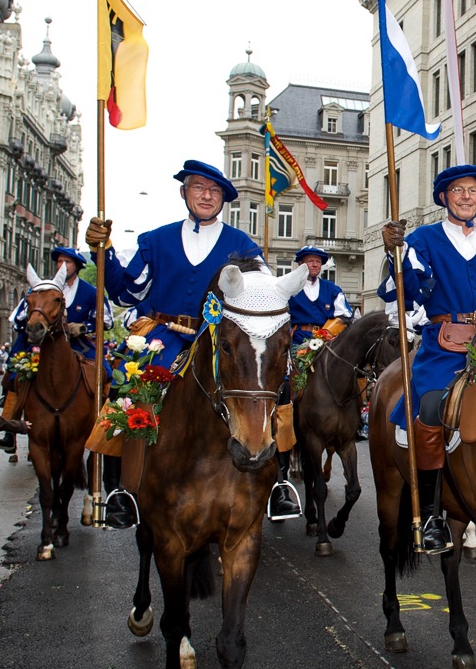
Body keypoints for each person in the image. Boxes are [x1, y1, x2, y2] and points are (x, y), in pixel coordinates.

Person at [85, 159, 262, 527]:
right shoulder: (155, 240)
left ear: (223, 199)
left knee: (268, 387)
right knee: (127, 389)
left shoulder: (243, 246)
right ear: (184, 192)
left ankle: (272, 480)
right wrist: (104, 251)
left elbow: (261, 292)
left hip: (218, 339)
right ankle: (121, 489)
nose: (207, 196)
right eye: (199, 187)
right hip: (163, 338)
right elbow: (128, 292)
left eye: (214, 191)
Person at [379, 163, 476, 554]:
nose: (466, 197)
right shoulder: (423, 240)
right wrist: (395, 254)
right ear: (444, 197)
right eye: (458, 190)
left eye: (472, 190)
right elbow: (406, 291)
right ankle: (432, 514)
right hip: (444, 345)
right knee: (431, 405)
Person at [0, 246, 112, 455]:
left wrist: (83, 327)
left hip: (77, 343)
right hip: (43, 344)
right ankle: (10, 427)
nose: (62, 266)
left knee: (105, 372)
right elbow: (18, 318)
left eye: (67, 262)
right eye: (59, 261)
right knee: (16, 373)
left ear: (77, 266)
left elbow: (107, 320)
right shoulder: (41, 289)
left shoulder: (91, 292)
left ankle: (104, 421)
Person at [269, 246, 354, 521]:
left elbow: (345, 315)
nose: (314, 265)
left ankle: (353, 420)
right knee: (284, 385)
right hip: (296, 343)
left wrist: (326, 333)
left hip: (326, 342)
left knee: (350, 376)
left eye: (318, 262)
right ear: (301, 265)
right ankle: (280, 423)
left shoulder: (332, 289)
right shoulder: (290, 288)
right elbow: (278, 314)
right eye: (309, 262)